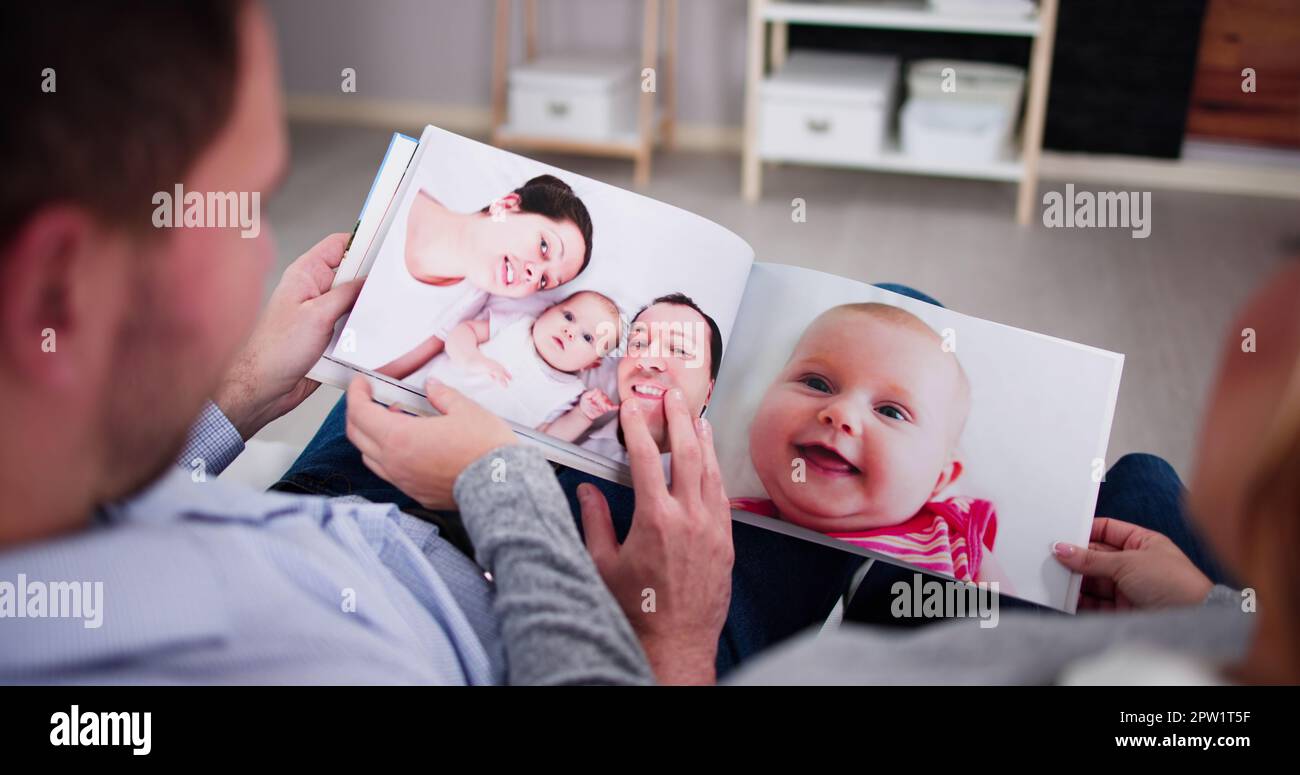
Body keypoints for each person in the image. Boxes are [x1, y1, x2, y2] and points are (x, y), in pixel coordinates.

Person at [0, 0, 731, 686]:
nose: (264, 253)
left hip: (369, 500)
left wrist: (243, 394)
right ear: (59, 292)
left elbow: (109, 511)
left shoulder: (43, 511)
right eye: (242, 207)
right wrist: (674, 648)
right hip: (515, 564)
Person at [734, 302, 1007, 586]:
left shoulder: (952, 541)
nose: (842, 413)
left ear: (939, 478)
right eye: (816, 383)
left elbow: (1013, 624)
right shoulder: (716, 520)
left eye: (890, 412)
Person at [364, 174, 595, 381]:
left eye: (544, 281)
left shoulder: (464, 306)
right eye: (544, 246)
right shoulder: (399, 192)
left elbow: (372, 382)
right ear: (505, 205)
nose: (534, 275)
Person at [409, 289, 621, 439]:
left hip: (467, 446)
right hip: (418, 403)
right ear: (547, 310)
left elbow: (546, 438)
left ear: (593, 363)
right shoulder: (517, 326)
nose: (570, 331)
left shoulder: (569, 393)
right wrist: (473, 359)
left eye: (587, 338)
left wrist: (583, 415)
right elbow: (464, 332)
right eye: (568, 316)